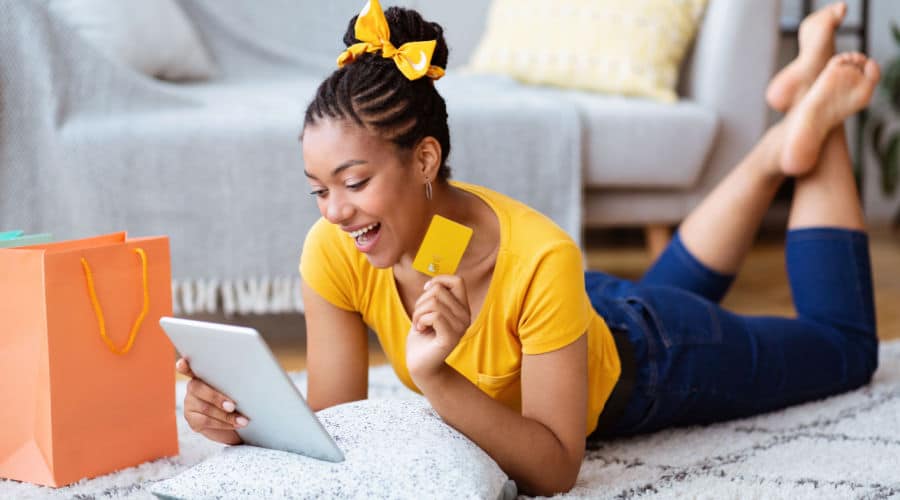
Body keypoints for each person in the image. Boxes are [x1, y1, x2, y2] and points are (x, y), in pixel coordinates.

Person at [176, 1, 881, 495]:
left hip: (654, 355)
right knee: (655, 291)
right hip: (576, 314)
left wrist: (439, 379)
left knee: (844, 348)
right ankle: (780, 137)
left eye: (353, 182)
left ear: (424, 161)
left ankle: (816, 121)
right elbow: (335, 425)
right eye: (318, 190)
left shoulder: (540, 257)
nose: (334, 211)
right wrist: (240, 425)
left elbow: (554, 467)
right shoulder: (342, 248)